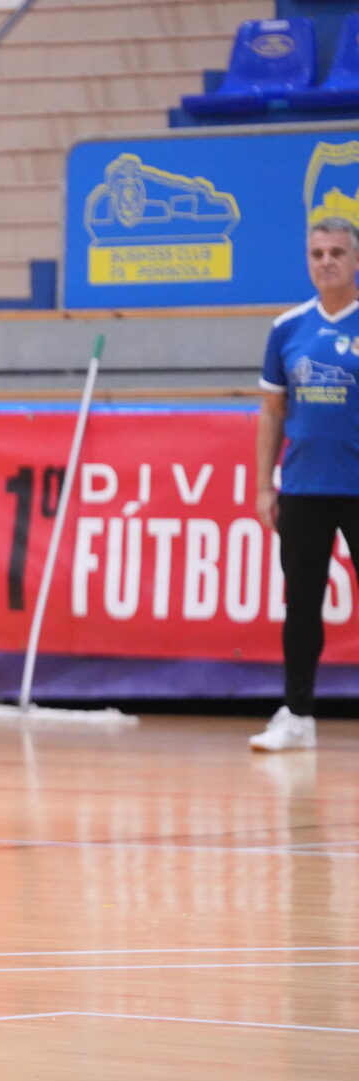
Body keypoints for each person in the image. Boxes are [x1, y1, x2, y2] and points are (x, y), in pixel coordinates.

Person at [251, 217, 359, 751]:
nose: (327, 262)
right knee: (302, 605)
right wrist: (264, 486)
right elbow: (272, 413)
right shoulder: (288, 328)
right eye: (317, 253)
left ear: (355, 260)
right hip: (304, 488)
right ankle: (297, 715)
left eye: (337, 252)